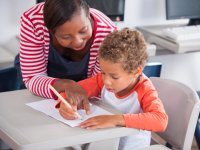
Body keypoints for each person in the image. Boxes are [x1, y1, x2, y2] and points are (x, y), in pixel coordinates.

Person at [57, 28, 168, 150]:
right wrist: (65, 102)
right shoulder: (101, 80)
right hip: (106, 143)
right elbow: (75, 91)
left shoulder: (145, 89)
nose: (106, 81)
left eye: (114, 77)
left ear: (136, 72)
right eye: (103, 73)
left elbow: (160, 120)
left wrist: (115, 119)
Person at [14, 0, 117, 112]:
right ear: (51, 31)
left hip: (86, 83)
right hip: (44, 81)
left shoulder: (108, 33)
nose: (78, 42)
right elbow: (33, 77)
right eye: (66, 37)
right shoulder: (34, 20)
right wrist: (66, 85)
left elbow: (98, 84)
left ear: (88, 15)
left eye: (83, 31)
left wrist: (68, 100)